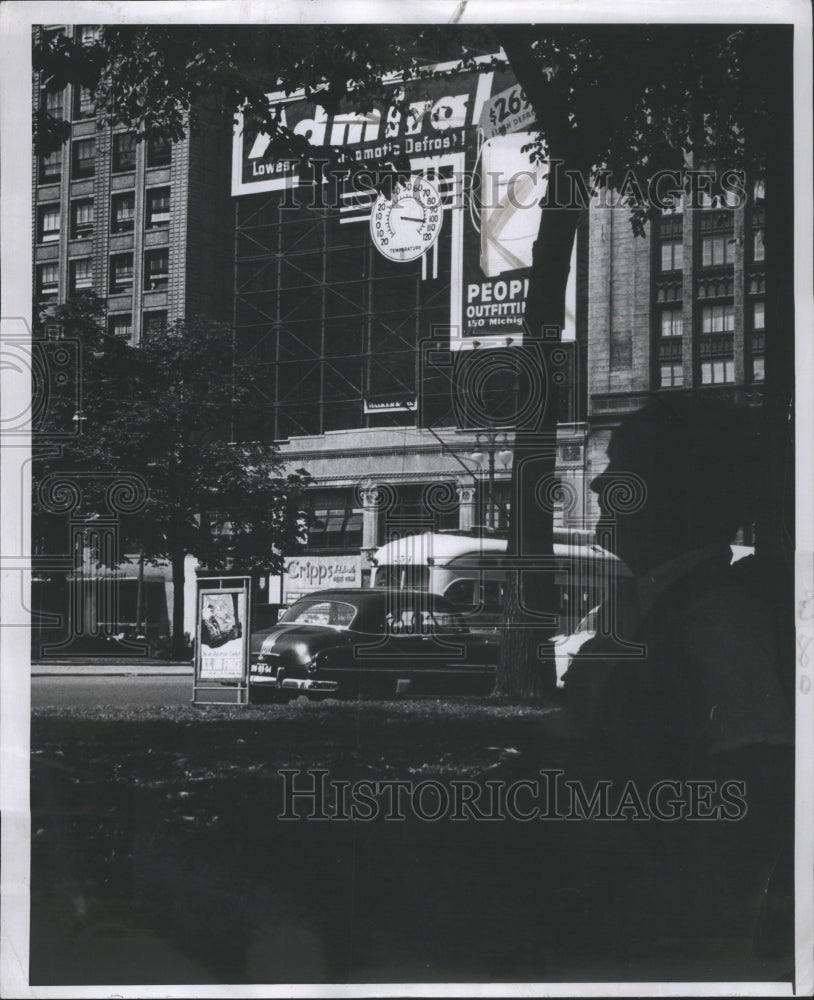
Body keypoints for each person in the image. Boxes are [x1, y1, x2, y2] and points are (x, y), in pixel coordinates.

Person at [561, 396, 794, 969]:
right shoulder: (648, 607)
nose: (597, 488)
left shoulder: (718, 619)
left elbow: (752, 790)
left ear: (673, 491)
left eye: (621, 469)